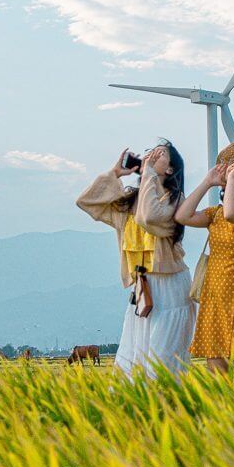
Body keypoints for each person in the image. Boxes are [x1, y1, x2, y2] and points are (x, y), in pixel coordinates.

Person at [75, 140, 196, 378]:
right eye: (150, 152)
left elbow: (149, 218)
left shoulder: (175, 200)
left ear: (170, 169)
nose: (151, 155)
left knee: (162, 361)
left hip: (171, 287)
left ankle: (169, 400)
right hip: (143, 288)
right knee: (135, 358)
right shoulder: (129, 202)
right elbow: (86, 202)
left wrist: (148, 173)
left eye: (160, 154)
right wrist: (114, 174)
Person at [176, 141, 234, 373]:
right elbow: (183, 216)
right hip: (216, 288)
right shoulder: (214, 214)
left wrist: (230, 180)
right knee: (215, 358)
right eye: (233, 164)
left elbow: (232, 214)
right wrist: (207, 182)